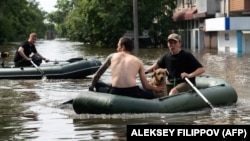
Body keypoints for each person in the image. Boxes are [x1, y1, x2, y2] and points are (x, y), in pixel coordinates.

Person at [89, 36, 163, 99]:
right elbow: (145, 85)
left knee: (97, 83)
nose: (117, 48)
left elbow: (97, 75)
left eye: (118, 46)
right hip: (133, 92)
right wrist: (156, 88)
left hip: (116, 91)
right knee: (150, 93)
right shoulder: (138, 61)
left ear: (123, 46)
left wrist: (91, 88)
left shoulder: (112, 56)